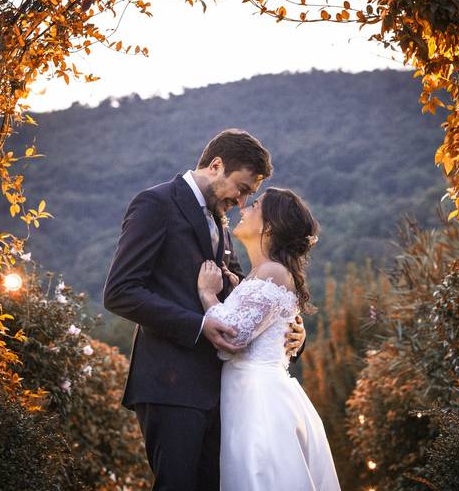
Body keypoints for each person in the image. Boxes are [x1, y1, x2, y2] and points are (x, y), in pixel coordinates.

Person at [103, 129, 307, 490]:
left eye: (250, 195)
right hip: (171, 383)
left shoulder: (220, 221)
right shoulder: (156, 204)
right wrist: (199, 326)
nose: (243, 201)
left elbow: (248, 295)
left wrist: (291, 331)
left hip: (221, 389)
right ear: (216, 166)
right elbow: (121, 291)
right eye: (242, 188)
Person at [197, 187, 340, 490]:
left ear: (270, 226)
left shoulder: (273, 272)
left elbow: (233, 338)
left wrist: (208, 296)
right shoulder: (258, 274)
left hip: (259, 400)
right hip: (247, 393)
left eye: (256, 205)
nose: (244, 208)